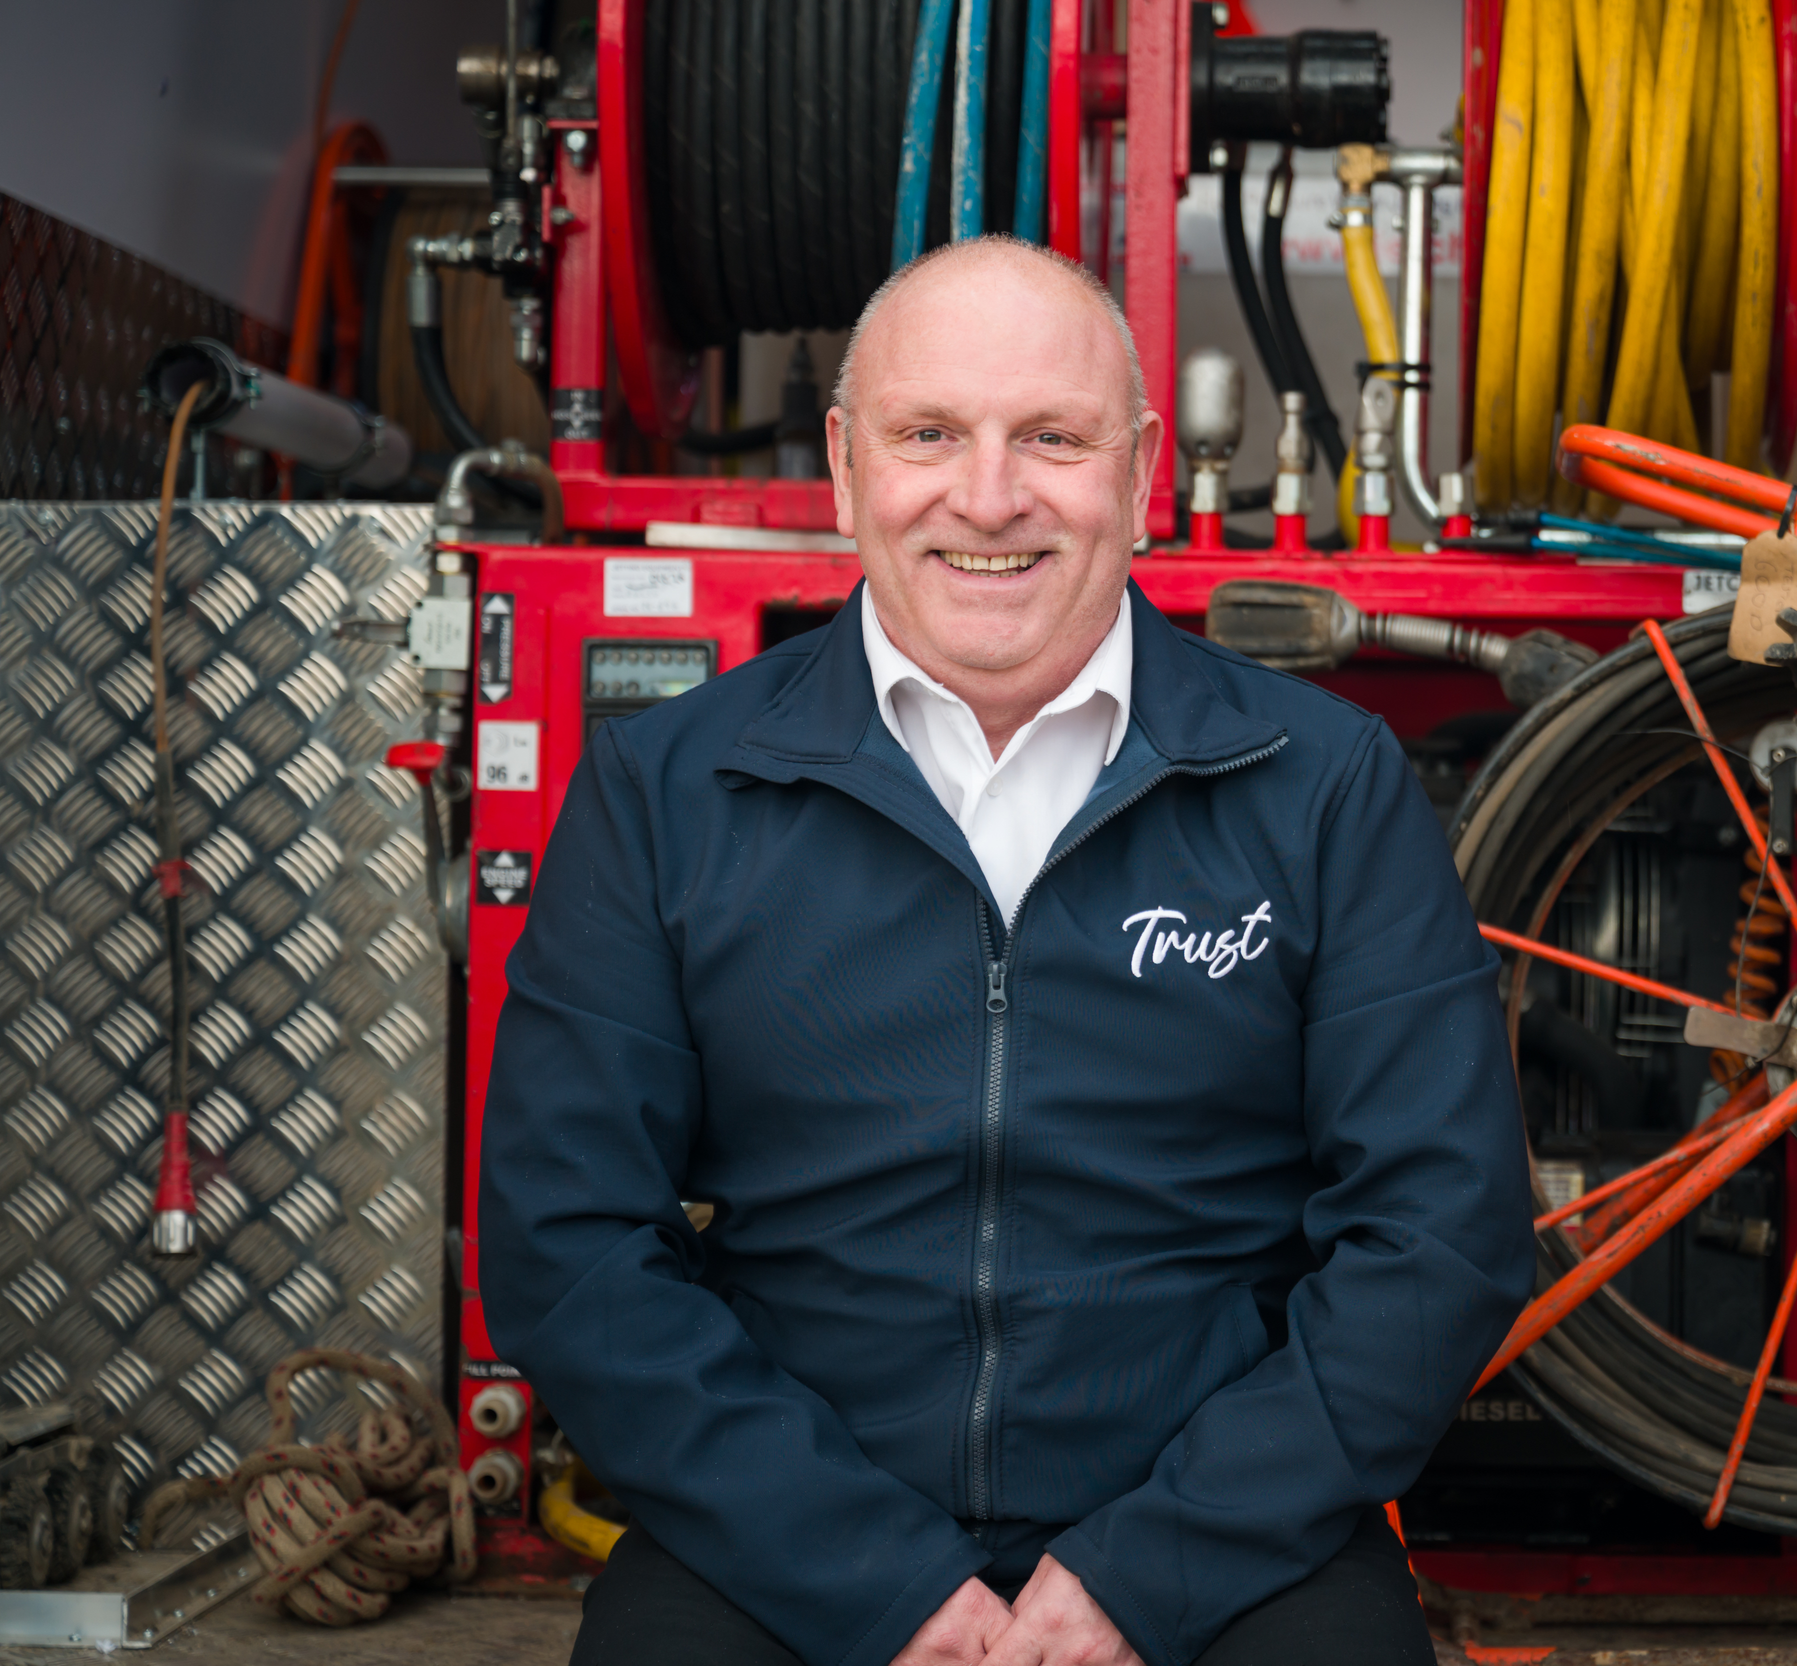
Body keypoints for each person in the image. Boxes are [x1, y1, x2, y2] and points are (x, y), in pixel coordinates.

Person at [477, 235, 1533, 1666]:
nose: (989, 496)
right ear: (847, 468)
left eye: (1053, 436)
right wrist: (872, 1580)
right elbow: (569, 1242)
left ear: (1141, 469)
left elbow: (1440, 1231)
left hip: (1223, 1540)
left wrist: (1146, 1574)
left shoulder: (1322, 784)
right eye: (931, 436)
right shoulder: (672, 792)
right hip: (784, 1540)